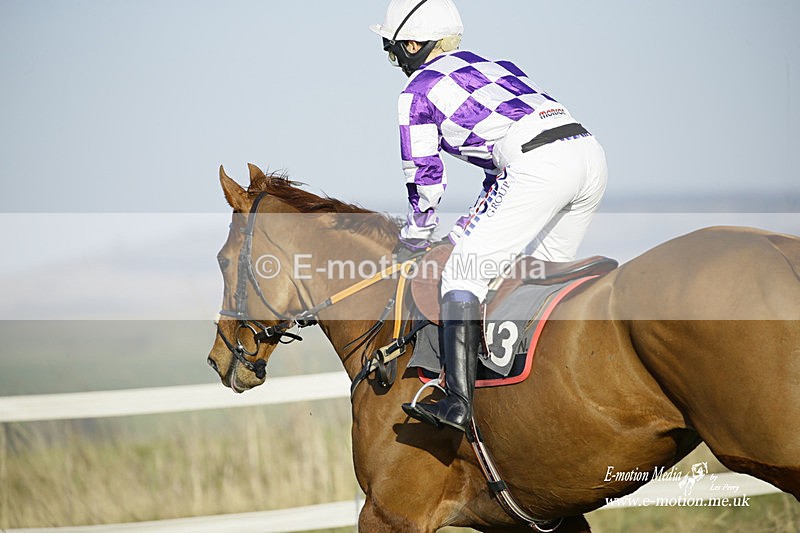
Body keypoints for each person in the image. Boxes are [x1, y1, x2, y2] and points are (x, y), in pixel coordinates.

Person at [371, 0, 607, 432]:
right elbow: (502, 179)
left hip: (537, 164)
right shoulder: (495, 66)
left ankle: (457, 403)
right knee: (536, 279)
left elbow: (424, 178)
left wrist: (416, 238)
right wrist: (462, 231)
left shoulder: (416, 92)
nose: (394, 62)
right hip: (588, 154)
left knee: (462, 276)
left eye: (392, 51)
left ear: (411, 44)